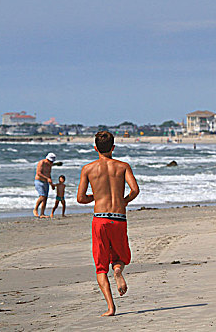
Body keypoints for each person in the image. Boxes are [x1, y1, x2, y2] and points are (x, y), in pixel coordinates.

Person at [77, 131, 140, 317]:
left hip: (100, 218)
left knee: (101, 266)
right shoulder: (122, 167)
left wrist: (96, 196)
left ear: (95, 148)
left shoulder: (88, 169)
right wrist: (124, 201)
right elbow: (135, 190)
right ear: (113, 148)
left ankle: (111, 308)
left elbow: (80, 198)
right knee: (121, 255)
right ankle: (118, 270)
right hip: (119, 218)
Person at [33, 153, 56, 218]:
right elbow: (38, 173)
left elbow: (49, 174)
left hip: (46, 182)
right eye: (50, 161)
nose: (51, 163)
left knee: (45, 198)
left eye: (52, 162)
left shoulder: (50, 165)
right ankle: (35, 209)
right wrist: (47, 178)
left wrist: (52, 184)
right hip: (39, 181)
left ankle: (42, 214)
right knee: (42, 196)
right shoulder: (41, 163)